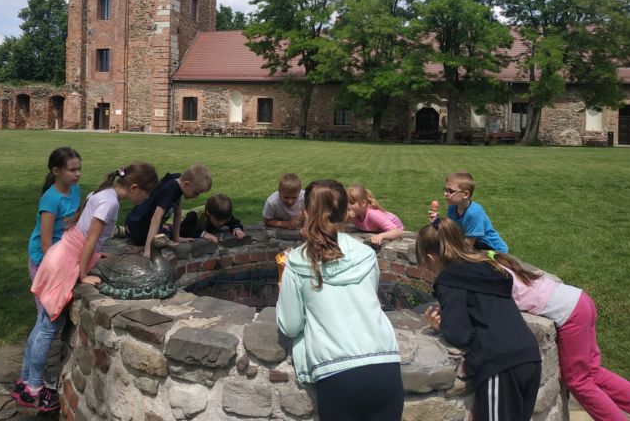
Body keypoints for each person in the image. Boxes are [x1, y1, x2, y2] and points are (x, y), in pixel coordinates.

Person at [12, 163, 158, 412]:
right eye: (146, 193)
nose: (145, 199)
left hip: (63, 256)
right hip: (65, 264)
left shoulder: (103, 193)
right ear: (134, 187)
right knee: (49, 327)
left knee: (42, 324)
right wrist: (83, 274)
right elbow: (89, 238)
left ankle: (26, 382)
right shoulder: (110, 203)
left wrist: (95, 258)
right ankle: (34, 389)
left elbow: (80, 230)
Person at [484, 252, 630, 421]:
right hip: (579, 299)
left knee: (579, 382)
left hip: (571, 314)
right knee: (593, 372)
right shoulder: (492, 257)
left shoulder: (483, 273)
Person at [276, 180, 403, 421]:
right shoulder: (365, 254)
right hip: (386, 365)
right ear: (346, 212)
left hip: (337, 371)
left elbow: (290, 326)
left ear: (305, 213)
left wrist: (285, 292)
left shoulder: (297, 262)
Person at [417, 218, 540, 421]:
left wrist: (440, 325)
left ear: (431, 258)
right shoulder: (487, 267)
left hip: (501, 365)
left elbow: (459, 333)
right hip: (529, 355)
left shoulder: (449, 279)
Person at [27, 147, 82, 311]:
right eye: (72, 170)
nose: (78, 174)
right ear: (56, 171)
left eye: (79, 169)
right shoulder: (51, 200)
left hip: (63, 253)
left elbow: (74, 223)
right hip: (44, 259)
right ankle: (39, 338)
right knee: (47, 313)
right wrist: (58, 269)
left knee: (60, 309)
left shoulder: (75, 190)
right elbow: (45, 243)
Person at [124, 163, 212, 257]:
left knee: (169, 232)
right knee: (166, 235)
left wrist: (177, 237)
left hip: (136, 220)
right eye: (196, 192)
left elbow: (178, 212)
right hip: (138, 227)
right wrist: (148, 251)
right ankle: (123, 231)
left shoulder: (178, 180)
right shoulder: (171, 189)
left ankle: (125, 230)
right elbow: (156, 218)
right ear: (186, 184)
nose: (196, 197)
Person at [429, 171, 508, 252]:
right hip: (475, 247)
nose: (445, 193)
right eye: (445, 190)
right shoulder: (452, 207)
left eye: (451, 191)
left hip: (493, 251)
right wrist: (436, 222)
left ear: (466, 194)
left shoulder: (474, 213)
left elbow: (467, 247)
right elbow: (451, 231)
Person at [179, 194, 245, 243]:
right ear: (208, 212)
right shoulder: (195, 214)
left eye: (224, 220)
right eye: (218, 220)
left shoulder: (223, 215)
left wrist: (237, 228)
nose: (221, 223)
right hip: (174, 223)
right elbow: (184, 230)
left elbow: (235, 222)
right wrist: (204, 234)